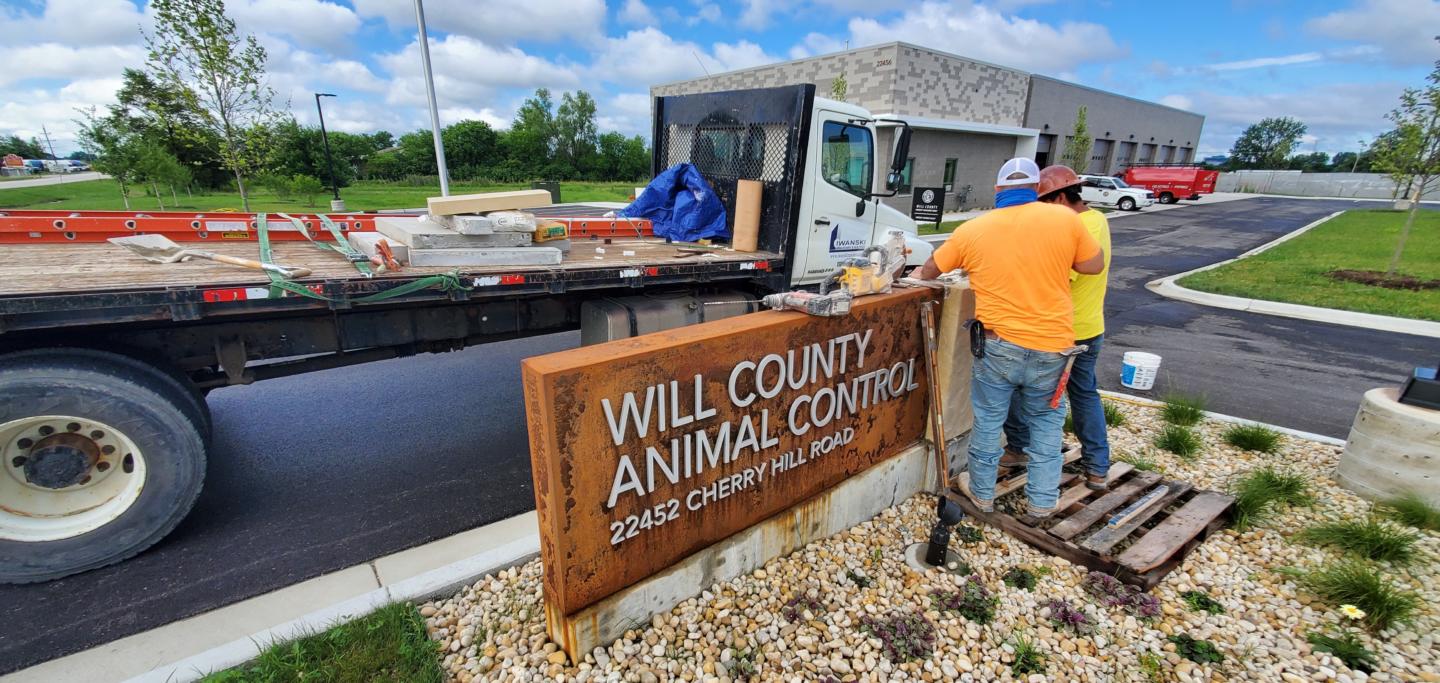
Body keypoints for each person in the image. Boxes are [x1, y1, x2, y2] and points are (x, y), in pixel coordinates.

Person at [912, 158, 1104, 520]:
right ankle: (1043, 503)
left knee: (988, 421)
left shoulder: (973, 229)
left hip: (998, 346)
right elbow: (1094, 265)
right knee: (1046, 425)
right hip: (1053, 348)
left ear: (998, 191)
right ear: (1035, 190)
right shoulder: (1065, 220)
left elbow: (930, 270)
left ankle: (982, 495)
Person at [1001, 165, 1113, 492]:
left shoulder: (1071, 227)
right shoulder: (1098, 220)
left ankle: (1021, 451)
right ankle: (1097, 467)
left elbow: (1054, 279)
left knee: (1021, 387)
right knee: (1084, 394)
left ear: (1060, 198)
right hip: (1090, 327)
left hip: (1060, 332)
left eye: (1042, 205)